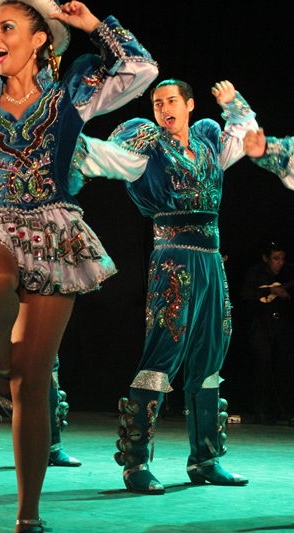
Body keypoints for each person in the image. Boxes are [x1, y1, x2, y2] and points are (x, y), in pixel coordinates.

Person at [0, 0, 157, 530]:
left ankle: (28, 517)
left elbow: (140, 69)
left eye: (6, 28)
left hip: (54, 234)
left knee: (33, 386)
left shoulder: (72, 94)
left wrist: (93, 25)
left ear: (40, 38)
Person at [72, 78, 257, 494]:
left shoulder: (208, 142)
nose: (163, 109)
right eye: (157, 103)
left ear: (189, 105)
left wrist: (234, 104)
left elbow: (244, 139)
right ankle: (135, 462)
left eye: (171, 101)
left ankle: (206, 459)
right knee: (163, 351)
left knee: (211, 353)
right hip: (173, 259)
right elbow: (115, 159)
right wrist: (78, 149)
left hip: (211, 260)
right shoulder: (149, 145)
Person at [239, 242, 294, 425]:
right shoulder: (255, 273)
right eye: (276, 259)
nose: (280, 263)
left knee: (284, 364)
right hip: (260, 323)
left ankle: (280, 409)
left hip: (282, 324)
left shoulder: (287, 273)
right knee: (263, 364)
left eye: (282, 259)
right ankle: (260, 410)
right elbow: (246, 293)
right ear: (266, 258)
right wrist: (270, 290)